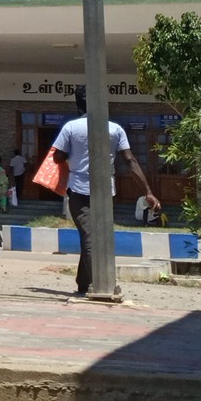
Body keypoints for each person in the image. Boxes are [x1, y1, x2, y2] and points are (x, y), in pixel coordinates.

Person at [50, 91, 160, 296]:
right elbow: (130, 160)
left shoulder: (71, 127)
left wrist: (66, 155)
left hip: (78, 191)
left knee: (89, 236)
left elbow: (58, 157)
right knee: (94, 236)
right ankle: (86, 283)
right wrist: (148, 191)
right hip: (106, 192)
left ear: (78, 106)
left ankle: (100, 285)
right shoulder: (115, 129)